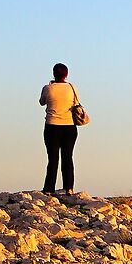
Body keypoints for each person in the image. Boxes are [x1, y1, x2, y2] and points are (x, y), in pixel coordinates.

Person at [39, 63, 83, 194]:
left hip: (52, 126)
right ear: (66, 74)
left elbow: (42, 102)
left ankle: (49, 188)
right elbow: (76, 102)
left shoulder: (48, 88)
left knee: (52, 159)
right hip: (69, 127)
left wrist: (51, 86)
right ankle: (69, 187)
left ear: (53, 74)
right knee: (67, 157)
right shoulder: (72, 87)